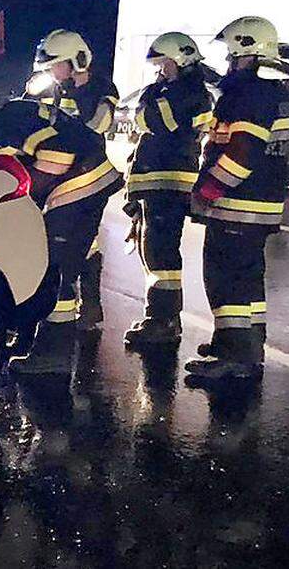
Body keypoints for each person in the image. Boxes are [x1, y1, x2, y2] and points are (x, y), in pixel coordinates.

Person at [0, 75, 122, 375]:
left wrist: (27, 195)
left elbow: (58, 157)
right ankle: (60, 326)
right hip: (88, 176)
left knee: (54, 267)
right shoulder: (11, 113)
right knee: (69, 251)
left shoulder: (3, 124)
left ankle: (54, 354)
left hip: (81, 180)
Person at [185, 16, 289, 380]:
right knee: (249, 279)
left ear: (245, 53)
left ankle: (234, 356)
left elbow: (241, 154)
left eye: (232, 55)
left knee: (226, 279)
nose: (228, 63)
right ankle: (246, 345)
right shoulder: (277, 94)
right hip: (263, 206)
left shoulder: (245, 97)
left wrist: (207, 191)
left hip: (236, 205)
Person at [123, 33, 215, 347]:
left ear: (180, 60)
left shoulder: (191, 94)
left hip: (168, 182)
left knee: (161, 254)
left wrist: (152, 100)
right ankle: (162, 318)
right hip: (156, 182)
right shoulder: (174, 91)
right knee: (154, 253)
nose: (160, 70)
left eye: (164, 63)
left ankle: (161, 321)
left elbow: (164, 125)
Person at [31, 29, 120, 332]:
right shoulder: (57, 89)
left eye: (56, 65)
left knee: (65, 251)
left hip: (86, 179)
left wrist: (81, 90)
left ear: (77, 62)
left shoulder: (101, 89)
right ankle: (91, 311)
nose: (52, 73)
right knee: (86, 244)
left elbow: (98, 125)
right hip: (66, 180)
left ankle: (66, 325)